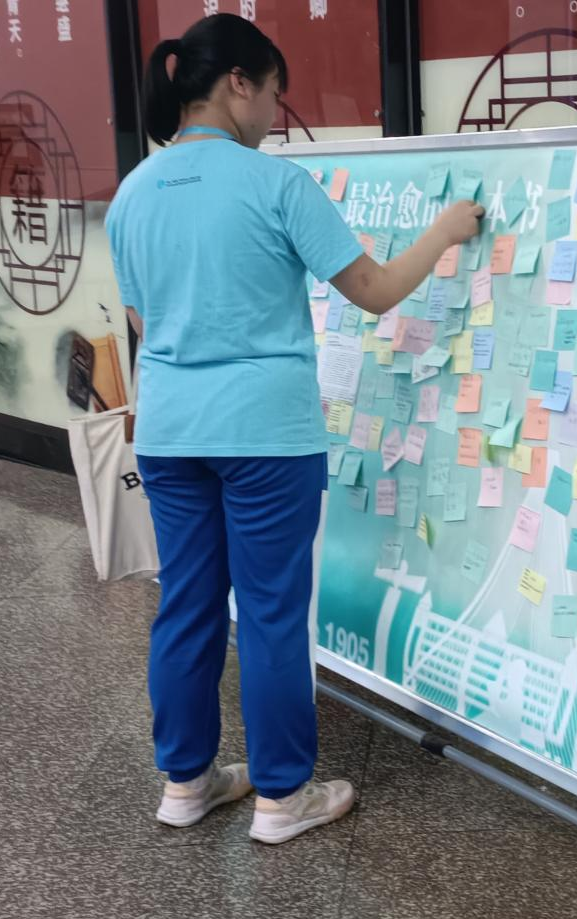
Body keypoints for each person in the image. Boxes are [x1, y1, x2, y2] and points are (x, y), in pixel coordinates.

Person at [106, 13, 482, 845]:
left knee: (187, 604)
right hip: (265, 435)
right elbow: (374, 291)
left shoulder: (132, 193)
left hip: (169, 432)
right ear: (237, 83)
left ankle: (185, 783)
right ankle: (282, 796)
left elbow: (143, 321)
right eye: (273, 92)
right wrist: (446, 232)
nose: (274, 113)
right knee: (272, 611)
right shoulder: (275, 185)